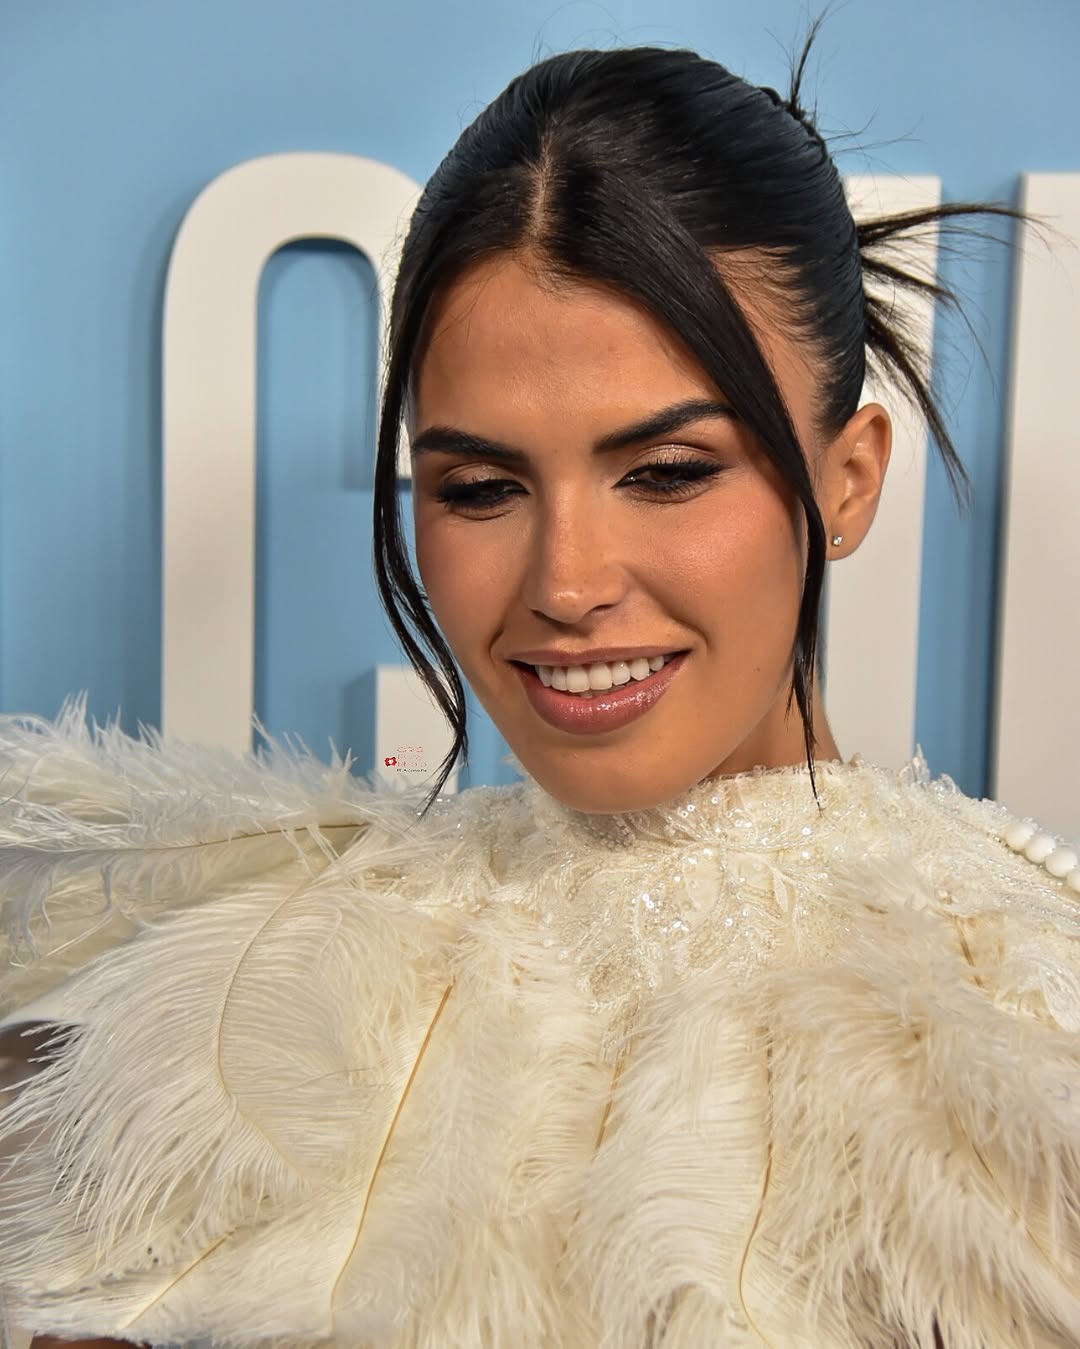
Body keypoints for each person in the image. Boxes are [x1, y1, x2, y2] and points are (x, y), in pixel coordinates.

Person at [2, 39, 1078, 1349]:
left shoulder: (1025, 1032)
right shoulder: (229, 1004)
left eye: (668, 472)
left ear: (847, 478)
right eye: (480, 488)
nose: (566, 583)